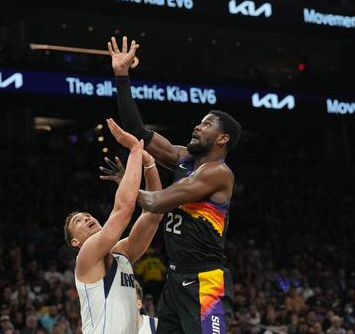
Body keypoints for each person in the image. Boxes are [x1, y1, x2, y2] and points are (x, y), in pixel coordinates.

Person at [108, 36, 241, 334]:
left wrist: (125, 183)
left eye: (206, 124)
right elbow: (138, 131)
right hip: (176, 279)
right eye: (199, 121)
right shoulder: (182, 157)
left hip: (206, 281)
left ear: (222, 139)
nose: (197, 126)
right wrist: (122, 76)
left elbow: (155, 202)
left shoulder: (218, 174)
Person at [64, 119, 163, 334]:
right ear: (75, 242)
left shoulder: (123, 254)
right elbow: (123, 211)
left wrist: (149, 164)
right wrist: (136, 150)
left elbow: (154, 213)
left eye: (87, 215)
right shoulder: (86, 258)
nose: (86, 218)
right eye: (78, 221)